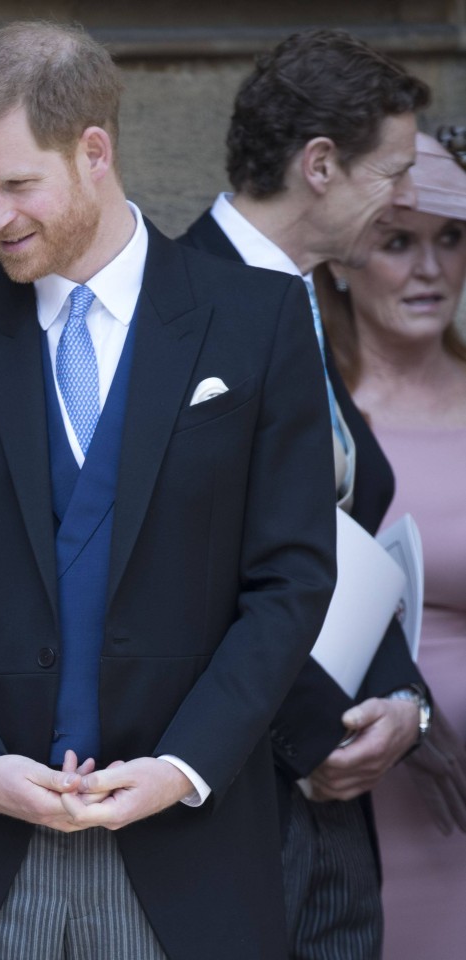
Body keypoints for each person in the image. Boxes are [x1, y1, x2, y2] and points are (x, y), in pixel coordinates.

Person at [0, 21, 336, 960]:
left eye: (18, 184)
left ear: (94, 152)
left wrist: (185, 766)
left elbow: (291, 578)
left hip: (190, 844)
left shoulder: (256, 323)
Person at [178, 29, 433, 958]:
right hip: (226, 818)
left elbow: (341, 546)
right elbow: (170, 570)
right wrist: (310, 740)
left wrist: (404, 705)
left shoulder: (299, 300)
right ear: (319, 165)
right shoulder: (173, 305)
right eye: (392, 173)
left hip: (330, 829)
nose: (404, 198)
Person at [318, 130, 466, 959]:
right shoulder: (312, 420)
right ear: (341, 255)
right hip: (353, 801)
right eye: (398, 241)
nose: (429, 269)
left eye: (451, 239)